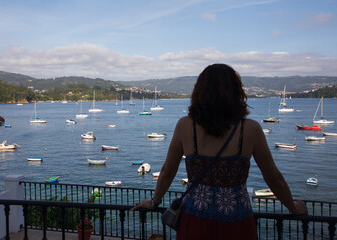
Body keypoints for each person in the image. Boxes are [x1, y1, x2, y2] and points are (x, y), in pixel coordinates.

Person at [131, 63, 308, 239]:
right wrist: (293, 207)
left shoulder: (185, 125)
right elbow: (273, 178)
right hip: (237, 221)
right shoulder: (251, 129)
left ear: (199, 92)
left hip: (194, 220)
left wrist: (154, 202)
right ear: (236, 92)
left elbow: (168, 172)